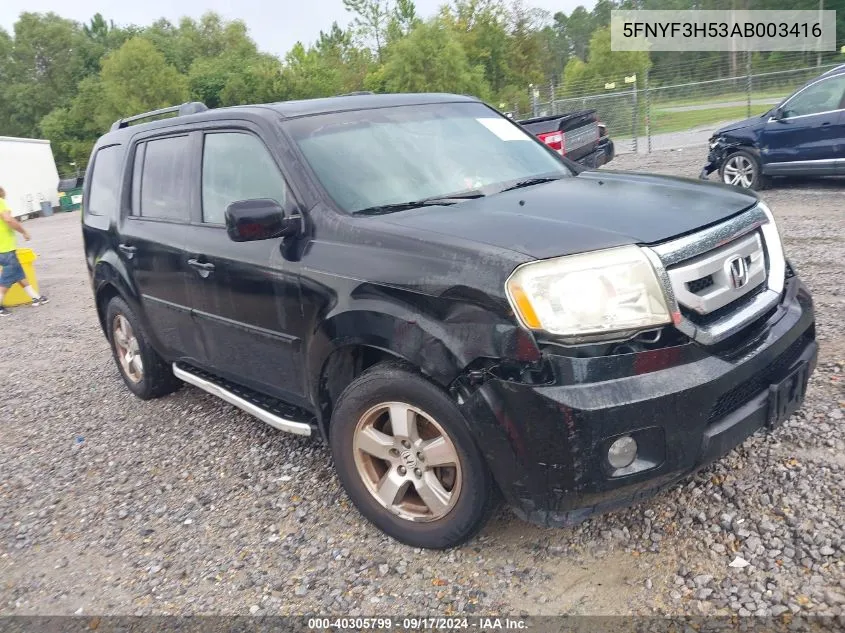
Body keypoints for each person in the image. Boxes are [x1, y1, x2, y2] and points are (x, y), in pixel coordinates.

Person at [0, 186, 48, 316]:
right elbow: (8, 220)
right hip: (5, 248)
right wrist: (23, 231)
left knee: (18, 273)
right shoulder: (0, 202)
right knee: (7, 278)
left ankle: (35, 297)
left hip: (4, 248)